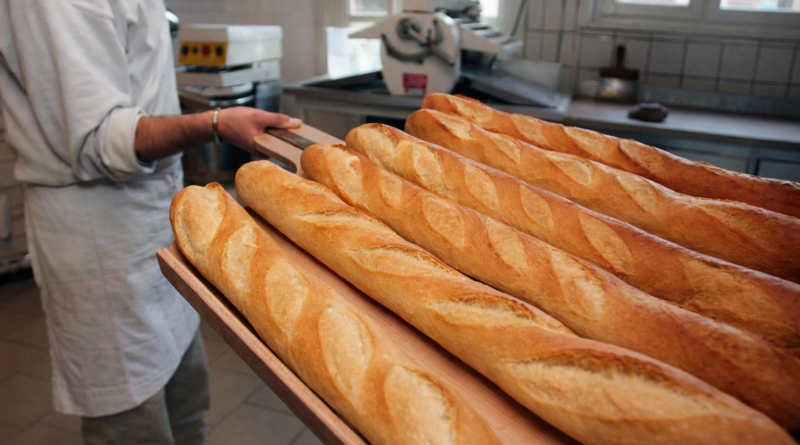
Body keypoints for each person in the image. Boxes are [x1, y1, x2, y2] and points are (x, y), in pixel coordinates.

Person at [0, 1, 300, 443]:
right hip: (100, 237)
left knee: (187, 400)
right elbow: (97, 140)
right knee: (132, 420)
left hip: (150, 218)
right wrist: (216, 123)